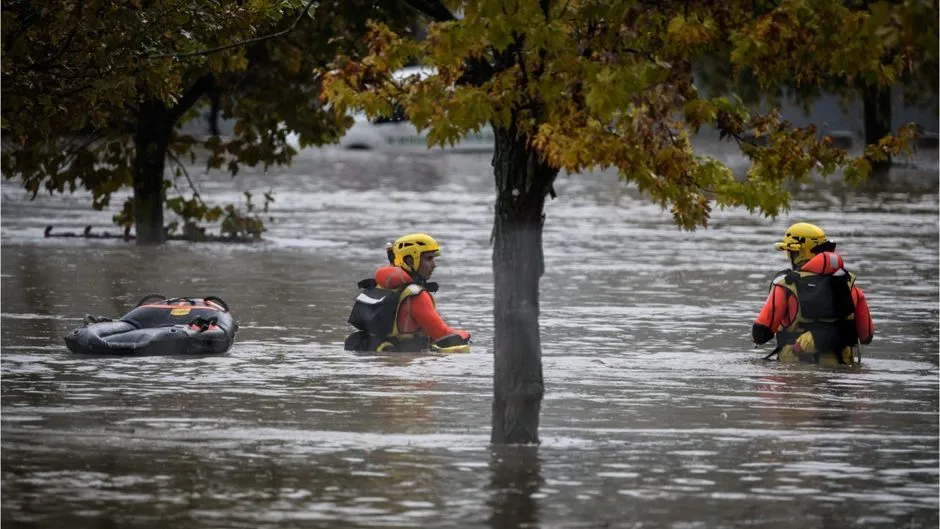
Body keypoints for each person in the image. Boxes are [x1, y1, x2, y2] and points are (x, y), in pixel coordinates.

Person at [752, 222, 874, 365]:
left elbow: (760, 334)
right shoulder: (850, 285)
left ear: (798, 252)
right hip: (840, 377)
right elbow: (866, 337)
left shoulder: (785, 286)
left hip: (796, 375)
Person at [344, 233, 471, 352]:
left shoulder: (378, 286)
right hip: (402, 363)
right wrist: (465, 334)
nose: (434, 265)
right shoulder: (416, 296)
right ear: (410, 261)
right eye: (429, 259)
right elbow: (442, 335)